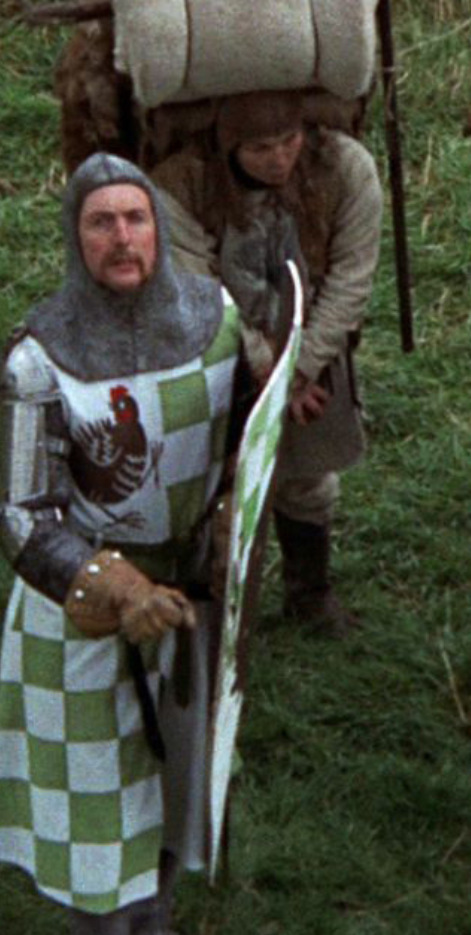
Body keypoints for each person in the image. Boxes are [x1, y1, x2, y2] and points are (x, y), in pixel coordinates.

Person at [0, 155, 250, 935]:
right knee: (96, 816)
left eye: (135, 218)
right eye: (100, 223)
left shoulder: (215, 321)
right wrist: (115, 586)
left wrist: (229, 525)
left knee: (175, 778)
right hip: (80, 614)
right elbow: (22, 515)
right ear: (75, 237)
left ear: (158, 227)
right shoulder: (38, 358)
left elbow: (244, 446)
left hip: (189, 597)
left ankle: (153, 924)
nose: (122, 238)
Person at [153, 90, 382, 636]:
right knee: (208, 478)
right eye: (259, 149)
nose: (279, 159)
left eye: (289, 141)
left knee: (308, 475)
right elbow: (199, 290)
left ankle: (310, 593)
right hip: (214, 348)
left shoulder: (346, 168)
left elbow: (351, 276)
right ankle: (210, 599)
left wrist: (301, 369)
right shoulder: (180, 184)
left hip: (311, 346)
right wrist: (263, 368)